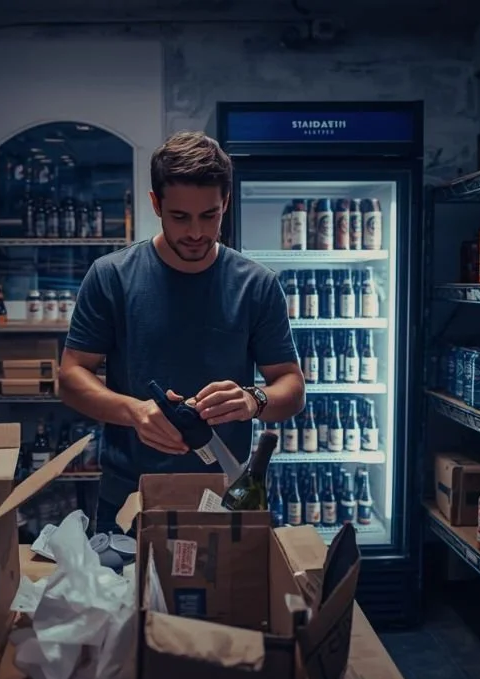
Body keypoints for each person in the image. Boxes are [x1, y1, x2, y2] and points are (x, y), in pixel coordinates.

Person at [59, 130, 306, 532]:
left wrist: (253, 400)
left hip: (227, 498)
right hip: (129, 499)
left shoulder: (256, 285)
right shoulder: (112, 277)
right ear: (156, 204)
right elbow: (70, 377)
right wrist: (135, 412)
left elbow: (291, 387)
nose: (195, 232)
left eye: (209, 216)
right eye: (180, 217)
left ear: (225, 203)